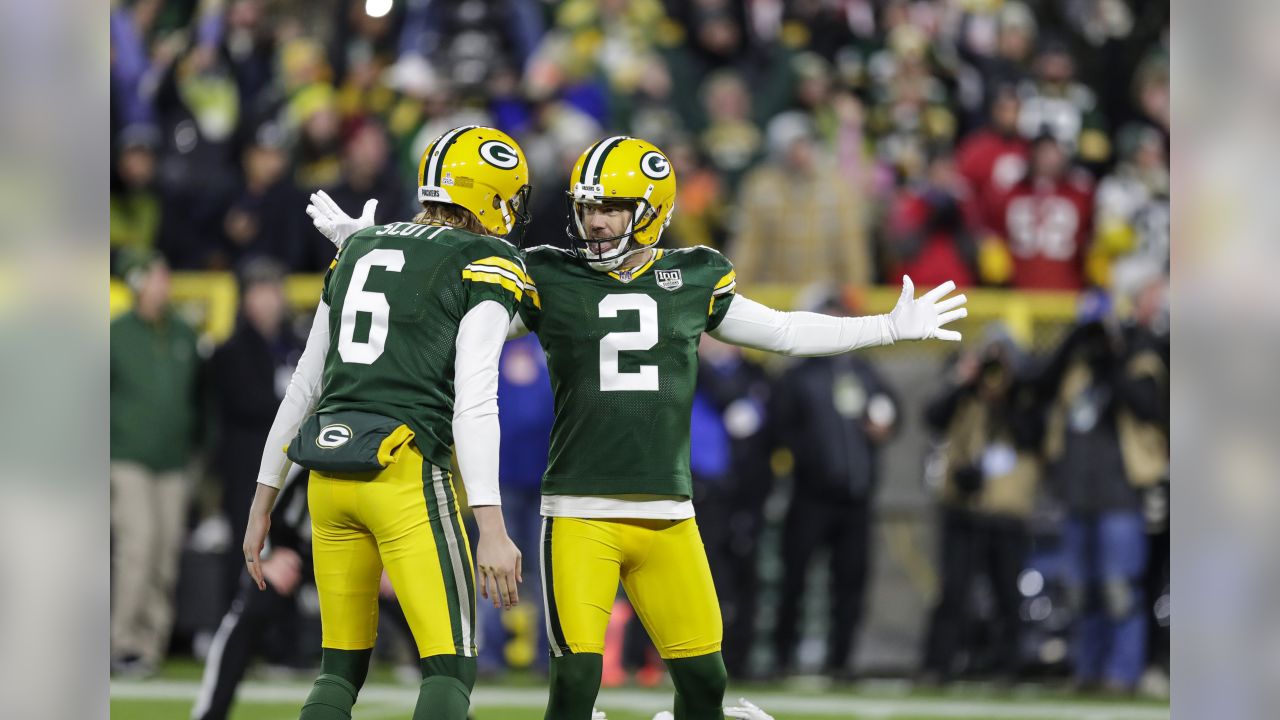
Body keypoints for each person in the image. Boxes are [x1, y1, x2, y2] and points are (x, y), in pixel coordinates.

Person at [311, 134, 969, 720]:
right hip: (578, 510)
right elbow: (450, 316)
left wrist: (885, 326)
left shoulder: (692, 277)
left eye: (610, 207)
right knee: (573, 683)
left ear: (649, 210)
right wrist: (379, 244)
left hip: (668, 512)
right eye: (588, 206)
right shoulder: (545, 273)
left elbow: (785, 330)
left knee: (706, 682)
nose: (594, 220)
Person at [242, 126, 530, 720]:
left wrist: (263, 497)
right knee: (450, 668)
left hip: (326, 475)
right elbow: (474, 401)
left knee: (338, 671)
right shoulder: (485, 258)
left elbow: (304, 385)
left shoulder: (358, 248)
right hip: (403, 472)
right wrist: (492, 528)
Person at [769, 288, 900, 681]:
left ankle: (840, 660)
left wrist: (885, 424)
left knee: (850, 582)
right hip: (811, 496)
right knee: (795, 579)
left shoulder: (864, 371)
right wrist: (809, 462)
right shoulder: (799, 375)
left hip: (855, 498)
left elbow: (894, 411)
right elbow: (781, 427)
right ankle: (782, 656)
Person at [919, 328, 1043, 683]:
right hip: (962, 506)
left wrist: (1009, 394)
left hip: (1006, 508)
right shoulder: (966, 395)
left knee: (1007, 592)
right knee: (952, 590)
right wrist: (966, 380)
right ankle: (937, 665)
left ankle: (1008, 667)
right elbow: (933, 417)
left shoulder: (1023, 398)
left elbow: (1031, 435)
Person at [110, 248, 204, 677]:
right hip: (127, 457)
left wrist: (198, 449)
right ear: (137, 285)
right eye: (155, 278)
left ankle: (150, 645)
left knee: (165, 554)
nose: (164, 285)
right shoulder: (116, 335)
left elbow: (200, 400)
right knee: (139, 545)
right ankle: (121, 642)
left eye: (165, 277)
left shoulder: (185, 334)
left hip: (174, 460)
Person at [209, 258, 301, 611]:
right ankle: (232, 622)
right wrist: (290, 406)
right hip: (247, 464)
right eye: (259, 291)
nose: (267, 300)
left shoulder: (296, 343)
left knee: (289, 549)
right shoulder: (231, 351)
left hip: (292, 465)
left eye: (273, 290)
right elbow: (246, 403)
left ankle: (282, 643)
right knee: (245, 544)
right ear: (245, 299)